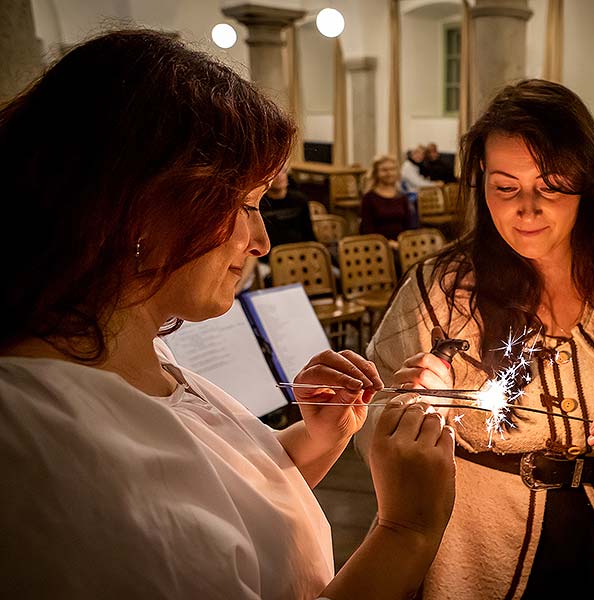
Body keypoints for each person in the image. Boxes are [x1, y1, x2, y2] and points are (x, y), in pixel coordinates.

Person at [0, 30, 456, 600]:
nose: (261, 239)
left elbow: (220, 509)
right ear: (142, 209)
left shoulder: (126, 341)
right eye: (244, 205)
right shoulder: (42, 446)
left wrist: (318, 437)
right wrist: (408, 530)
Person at [357, 79, 594, 599]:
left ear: (588, 185)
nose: (526, 208)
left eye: (550, 186)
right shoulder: (442, 288)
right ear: (481, 183)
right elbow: (374, 406)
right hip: (479, 551)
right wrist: (412, 408)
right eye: (505, 187)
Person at [260, 162, 315, 253]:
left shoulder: (299, 200)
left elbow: (309, 235)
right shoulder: (261, 204)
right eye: (275, 173)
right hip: (272, 256)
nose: (279, 176)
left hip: (301, 253)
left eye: (283, 171)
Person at [361, 155, 415, 240]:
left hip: (402, 246)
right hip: (377, 246)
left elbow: (409, 227)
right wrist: (387, 243)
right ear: (376, 173)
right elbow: (367, 230)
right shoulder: (369, 198)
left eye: (392, 169)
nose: (389, 173)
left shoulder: (402, 197)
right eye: (384, 170)